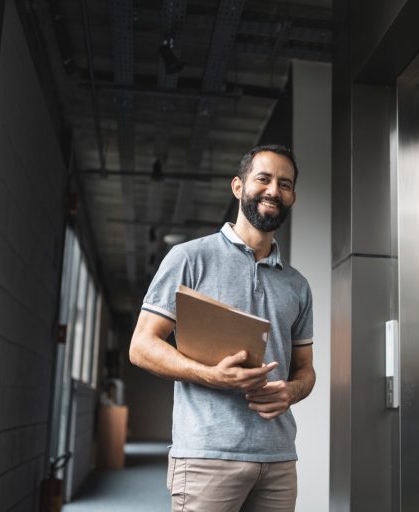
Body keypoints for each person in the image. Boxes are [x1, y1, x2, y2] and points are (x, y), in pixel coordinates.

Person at [129, 144, 315, 512]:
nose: (274, 191)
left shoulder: (297, 285)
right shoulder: (189, 258)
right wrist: (210, 376)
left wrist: (291, 392)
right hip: (206, 457)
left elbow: (306, 370)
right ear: (238, 187)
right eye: (263, 179)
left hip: (278, 461)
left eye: (285, 184)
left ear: (292, 196)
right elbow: (141, 346)